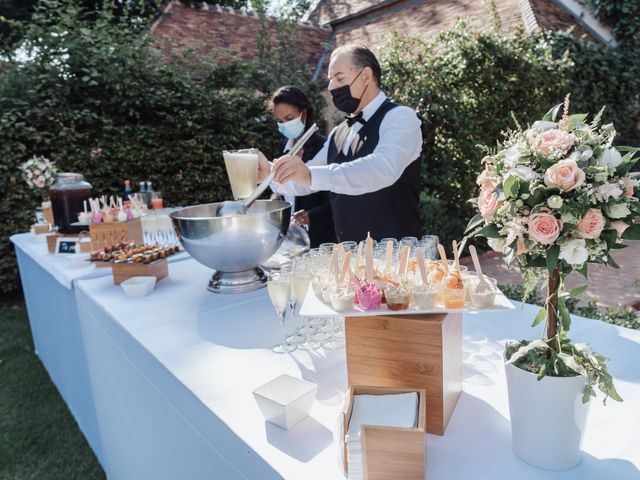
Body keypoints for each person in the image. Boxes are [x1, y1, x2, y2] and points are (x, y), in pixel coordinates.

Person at [259, 44, 423, 242]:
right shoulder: (338, 132)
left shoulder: (400, 117)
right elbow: (306, 181)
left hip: (398, 255)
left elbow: (382, 168)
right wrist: (268, 173)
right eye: (330, 80)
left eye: (339, 78)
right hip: (349, 257)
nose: (331, 87)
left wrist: (310, 175)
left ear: (365, 75)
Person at [269, 86, 337, 247]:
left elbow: (335, 194)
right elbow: (283, 186)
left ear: (304, 114)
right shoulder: (283, 147)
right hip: (292, 236)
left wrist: (312, 215)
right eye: (280, 121)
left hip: (322, 236)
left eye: (289, 118)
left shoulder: (324, 147)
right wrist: (276, 196)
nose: (284, 125)